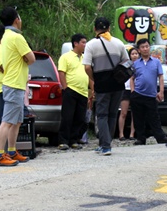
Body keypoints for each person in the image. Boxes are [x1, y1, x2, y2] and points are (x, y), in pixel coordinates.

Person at [0, 6, 35, 167]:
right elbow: (31, 58)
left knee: (16, 121)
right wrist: (25, 58)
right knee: (7, 121)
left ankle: (11, 151)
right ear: (16, 19)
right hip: (14, 83)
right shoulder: (17, 37)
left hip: (15, 83)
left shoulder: (6, 36)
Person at [83, 17, 129, 156]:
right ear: (109, 28)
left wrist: (93, 79)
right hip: (118, 84)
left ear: (94, 29)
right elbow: (126, 62)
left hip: (102, 84)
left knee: (102, 114)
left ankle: (105, 145)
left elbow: (86, 67)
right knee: (113, 114)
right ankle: (107, 143)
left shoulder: (91, 45)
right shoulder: (118, 43)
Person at [130, 38, 167, 146]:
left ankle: (160, 137)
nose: (145, 49)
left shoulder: (156, 62)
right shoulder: (135, 63)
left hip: (151, 95)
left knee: (154, 117)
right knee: (138, 117)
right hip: (138, 94)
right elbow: (132, 78)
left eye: (147, 46)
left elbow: (160, 77)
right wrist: (133, 91)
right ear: (139, 50)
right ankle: (140, 138)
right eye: (142, 47)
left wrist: (161, 91)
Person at [57, 33, 92, 150]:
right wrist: (65, 87)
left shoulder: (85, 58)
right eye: (83, 42)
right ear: (75, 43)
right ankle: (63, 140)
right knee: (67, 117)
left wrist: (92, 90)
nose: (85, 45)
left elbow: (89, 74)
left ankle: (73, 139)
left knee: (80, 118)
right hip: (71, 90)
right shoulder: (66, 57)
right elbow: (61, 72)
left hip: (83, 92)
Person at [118, 47, 139, 141]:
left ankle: (132, 134)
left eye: (136, 53)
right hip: (126, 90)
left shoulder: (140, 65)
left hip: (136, 90)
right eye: (132, 54)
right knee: (123, 112)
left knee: (135, 113)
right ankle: (121, 134)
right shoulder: (126, 65)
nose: (134, 55)